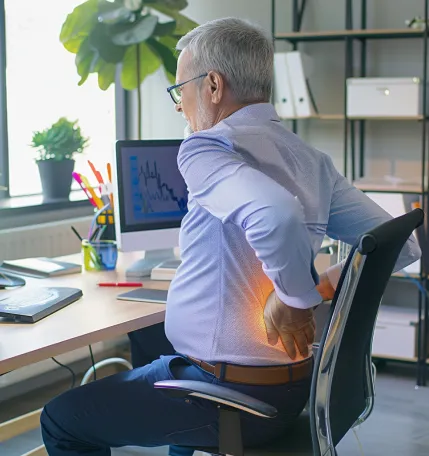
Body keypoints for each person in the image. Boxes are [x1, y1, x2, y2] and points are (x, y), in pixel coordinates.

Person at [40, 17, 421, 455]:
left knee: (61, 420)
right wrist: (316, 286)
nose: (179, 106)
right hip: (293, 392)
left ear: (213, 86)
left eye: (179, 90)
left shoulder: (207, 146)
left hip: (228, 399)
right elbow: (398, 244)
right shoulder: (311, 158)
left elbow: (276, 214)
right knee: (154, 354)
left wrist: (295, 297)